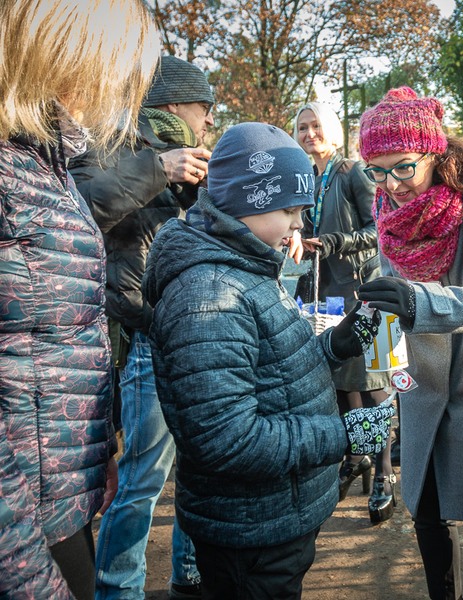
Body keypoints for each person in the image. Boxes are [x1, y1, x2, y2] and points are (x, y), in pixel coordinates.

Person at [142, 122, 392, 598]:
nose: (299, 225)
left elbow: (274, 369)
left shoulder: (245, 267)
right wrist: (345, 433)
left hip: (276, 516)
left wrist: (343, 340)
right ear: (248, 201)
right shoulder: (208, 295)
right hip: (251, 532)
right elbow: (228, 439)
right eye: (290, 210)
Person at [0, 0, 160, 597]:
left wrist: (96, 448)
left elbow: (57, 330)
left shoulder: (47, 163)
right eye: (112, 66)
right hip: (20, 528)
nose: (116, 88)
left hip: (58, 486)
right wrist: (25, 575)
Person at [355, 87, 463, 600]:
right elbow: (390, 297)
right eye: (378, 169)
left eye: (404, 166)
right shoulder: (388, 208)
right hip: (422, 381)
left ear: (434, 152)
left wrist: (416, 304)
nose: (392, 184)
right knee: (427, 510)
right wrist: (375, 348)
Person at [68, 54, 214, 600]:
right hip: (142, 338)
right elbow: (84, 210)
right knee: (142, 480)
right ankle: (117, 590)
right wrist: (161, 169)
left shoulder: (191, 159)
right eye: (203, 111)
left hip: (192, 335)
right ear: (175, 103)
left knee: (199, 472)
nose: (206, 125)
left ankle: (191, 577)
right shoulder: (103, 145)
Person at [291, 101, 395, 523]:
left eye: (315, 126)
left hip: (362, 291)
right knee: (339, 384)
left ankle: (385, 471)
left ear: (330, 129)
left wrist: (333, 243)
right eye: (301, 127)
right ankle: (357, 457)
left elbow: (379, 230)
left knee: (371, 386)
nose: (309, 133)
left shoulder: (352, 172)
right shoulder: (307, 177)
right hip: (321, 294)